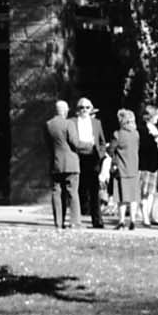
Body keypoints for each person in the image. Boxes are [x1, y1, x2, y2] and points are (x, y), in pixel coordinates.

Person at [69, 97, 108, 227]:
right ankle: (76, 219)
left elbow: (102, 141)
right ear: (77, 109)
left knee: (94, 190)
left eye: (87, 107)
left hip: (92, 158)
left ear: (91, 109)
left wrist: (100, 154)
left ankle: (97, 220)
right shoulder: (72, 122)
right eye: (81, 107)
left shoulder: (96, 123)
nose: (84, 110)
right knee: (79, 189)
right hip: (78, 158)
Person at [44, 98, 80, 229]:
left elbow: (48, 144)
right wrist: (88, 145)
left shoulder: (48, 124)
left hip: (56, 162)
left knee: (56, 192)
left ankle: (58, 222)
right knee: (72, 193)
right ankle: (74, 222)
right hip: (71, 162)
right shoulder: (68, 124)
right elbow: (75, 143)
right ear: (65, 111)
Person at [110, 108, 141, 230]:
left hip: (121, 169)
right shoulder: (136, 134)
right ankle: (133, 220)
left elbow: (111, 149)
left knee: (121, 197)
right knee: (133, 197)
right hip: (133, 168)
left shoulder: (118, 134)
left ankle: (122, 221)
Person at [138, 103, 158, 226]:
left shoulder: (154, 128)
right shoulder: (143, 129)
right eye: (157, 114)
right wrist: (154, 138)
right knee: (144, 192)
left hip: (154, 163)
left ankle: (148, 215)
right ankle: (144, 217)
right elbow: (144, 146)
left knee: (151, 192)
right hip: (145, 164)